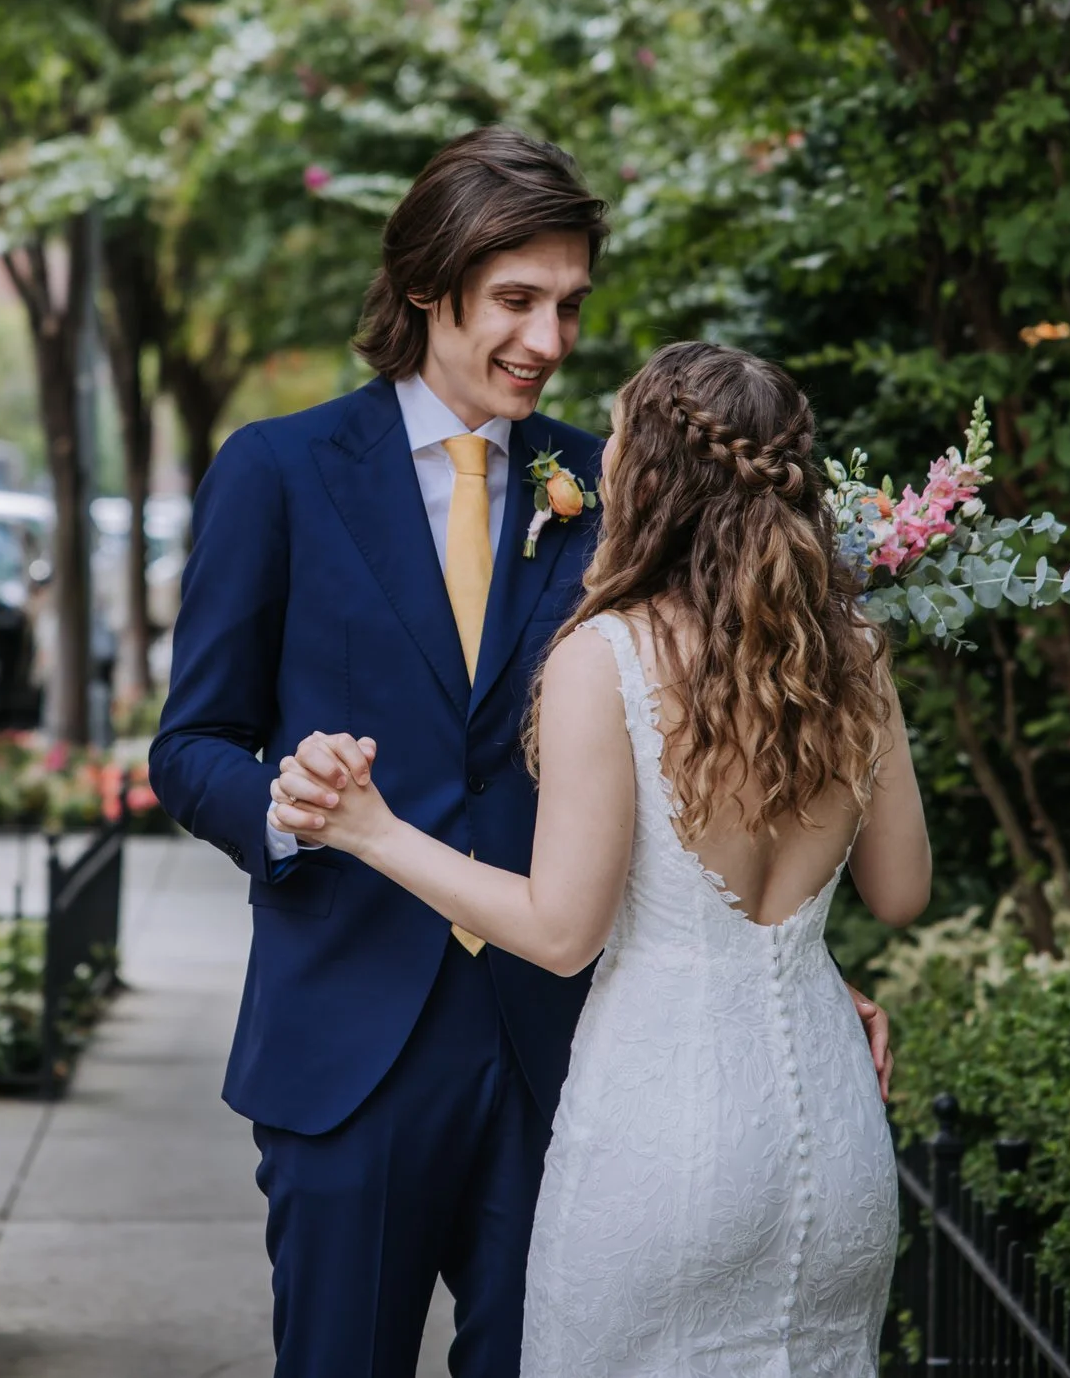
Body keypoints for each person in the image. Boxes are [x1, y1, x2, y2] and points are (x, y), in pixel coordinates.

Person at [151, 129, 895, 1378]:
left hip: (575, 1041)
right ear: (425, 288)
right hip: (349, 1040)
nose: (548, 341)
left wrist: (786, 974)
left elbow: (736, 742)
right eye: (516, 301)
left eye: (567, 305)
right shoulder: (276, 472)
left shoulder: (622, 488)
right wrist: (287, 806)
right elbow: (190, 743)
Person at [271, 340, 932, 1377]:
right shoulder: (856, 649)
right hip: (831, 1128)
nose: (602, 459)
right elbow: (900, 891)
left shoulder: (607, 655)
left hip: (660, 1133)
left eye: (619, 443)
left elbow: (560, 931)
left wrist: (372, 830)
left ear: (655, 480)